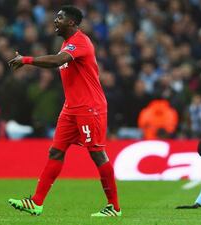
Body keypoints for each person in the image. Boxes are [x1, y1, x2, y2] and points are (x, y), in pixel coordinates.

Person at [7, 5, 121, 217]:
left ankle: (114, 207)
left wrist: (26, 60)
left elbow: (58, 61)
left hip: (90, 107)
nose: (55, 21)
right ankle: (36, 202)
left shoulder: (80, 42)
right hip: (70, 109)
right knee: (55, 151)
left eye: (59, 18)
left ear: (71, 22)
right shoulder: (66, 43)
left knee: (97, 154)